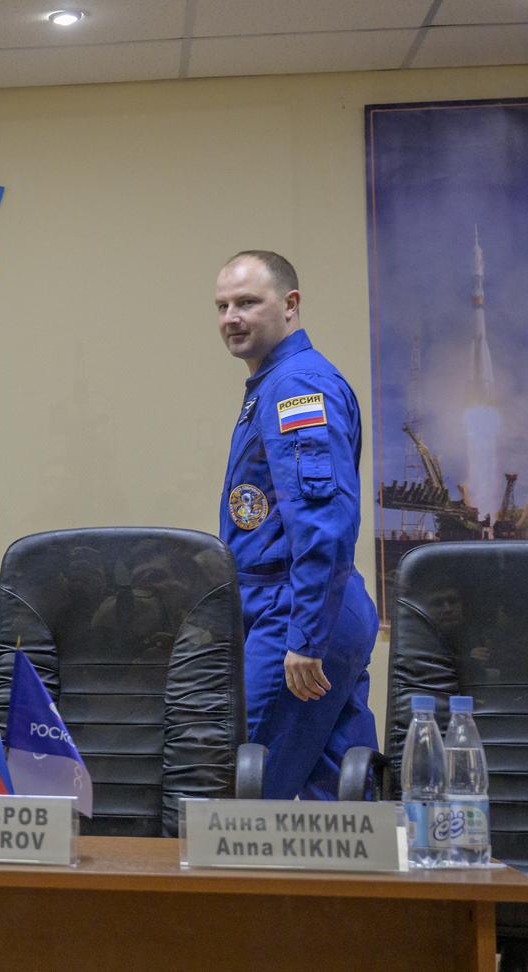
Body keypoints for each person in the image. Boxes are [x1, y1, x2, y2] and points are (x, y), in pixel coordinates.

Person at [214, 250, 377, 801]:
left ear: (290, 305)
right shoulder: (275, 383)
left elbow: (323, 519)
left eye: (247, 303)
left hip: (296, 611)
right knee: (339, 807)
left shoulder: (297, 387)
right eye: (222, 306)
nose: (231, 318)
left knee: (247, 798)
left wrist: (306, 634)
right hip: (307, 606)